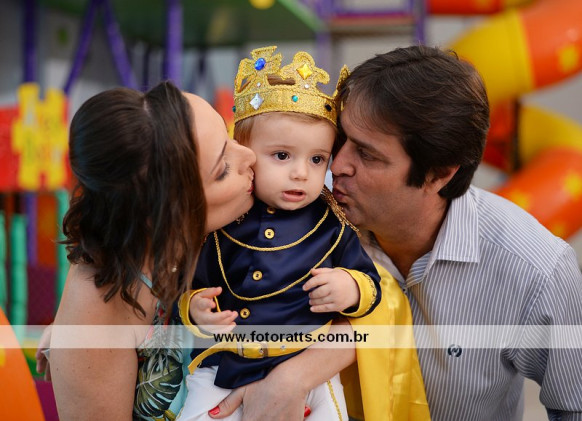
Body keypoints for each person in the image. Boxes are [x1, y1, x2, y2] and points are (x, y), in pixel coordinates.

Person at [208, 45, 582, 421]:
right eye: (341, 140)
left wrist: (293, 379)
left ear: (438, 174)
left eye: (367, 154)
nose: (336, 165)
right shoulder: (297, 215)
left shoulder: (537, 270)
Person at [176, 46, 382, 421]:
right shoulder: (224, 219)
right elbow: (190, 287)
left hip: (309, 368)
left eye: (317, 159)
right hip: (225, 363)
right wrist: (195, 309)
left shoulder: (331, 224)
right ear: (244, 152)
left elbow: (371, 284)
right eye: (282, 156)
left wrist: (350, 287)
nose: (301, 173)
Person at [43, 80, 256, 421]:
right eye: (223, 170)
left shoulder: (226, 224)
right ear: (166, 211)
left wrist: (293, 377)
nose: (250, 155)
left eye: (228, 137)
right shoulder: (97, 308)